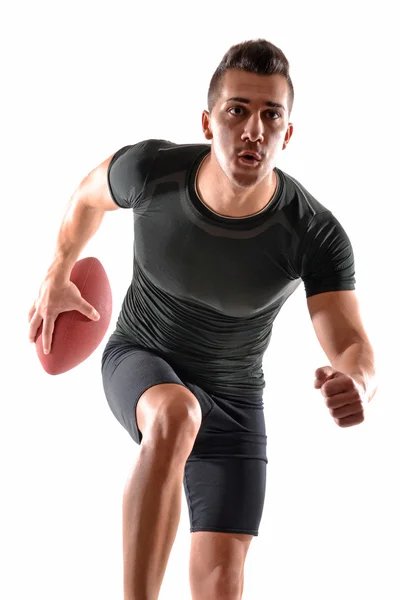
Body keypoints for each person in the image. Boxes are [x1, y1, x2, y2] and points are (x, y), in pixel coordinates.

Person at [28, 39, 377, 600]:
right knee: (175, 411)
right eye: (237, 110)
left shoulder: (313, 232)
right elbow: (88, 199)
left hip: (236, 401)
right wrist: (57, 271)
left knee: (222, 583)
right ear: (208, 121)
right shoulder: (151, 171)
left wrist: (358, 381)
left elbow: (351, 341)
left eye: (271, 115)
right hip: (142, 357)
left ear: (288, 134)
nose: (253, 129)